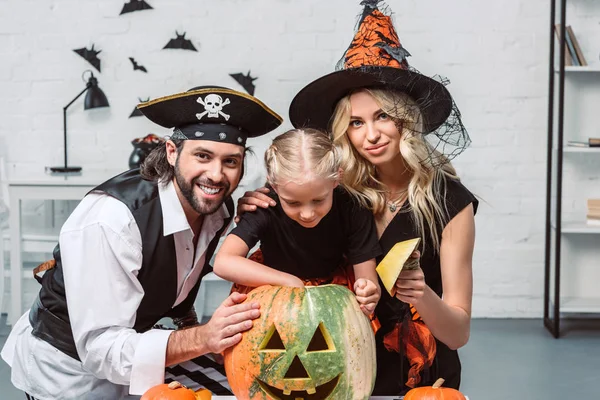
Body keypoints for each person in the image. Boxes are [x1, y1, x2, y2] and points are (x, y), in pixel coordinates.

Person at [236, 1, 477, 396]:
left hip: (419, 377)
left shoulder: (450, 203)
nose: (371, 135)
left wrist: (421, 292)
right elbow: (289, 204)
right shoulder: (335, 192)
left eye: (383, 116)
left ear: (407, 120)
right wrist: (256, 205)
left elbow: (459, 333)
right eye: (356, 122)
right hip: (333, 365)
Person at [1, 85, 283, 399]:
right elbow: (100, 350)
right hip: (70, 370)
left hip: (135, 349)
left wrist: (266, 215)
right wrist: (205, 336)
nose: (216, 175)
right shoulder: (113, 220)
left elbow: (177, 279)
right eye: (203, 156)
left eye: (231, 162)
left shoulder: (219, 208)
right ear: (172, 152)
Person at [213, 128, 382, 316]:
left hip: (333, 290)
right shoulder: (264, 205)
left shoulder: (353, 207)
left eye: (319, 200)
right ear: (274, 186)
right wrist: (289, 282)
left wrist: (367, 290)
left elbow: (367, 278)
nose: (307, 214)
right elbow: (224, 262)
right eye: (293, 203)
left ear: (337, 179)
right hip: (272, 290)